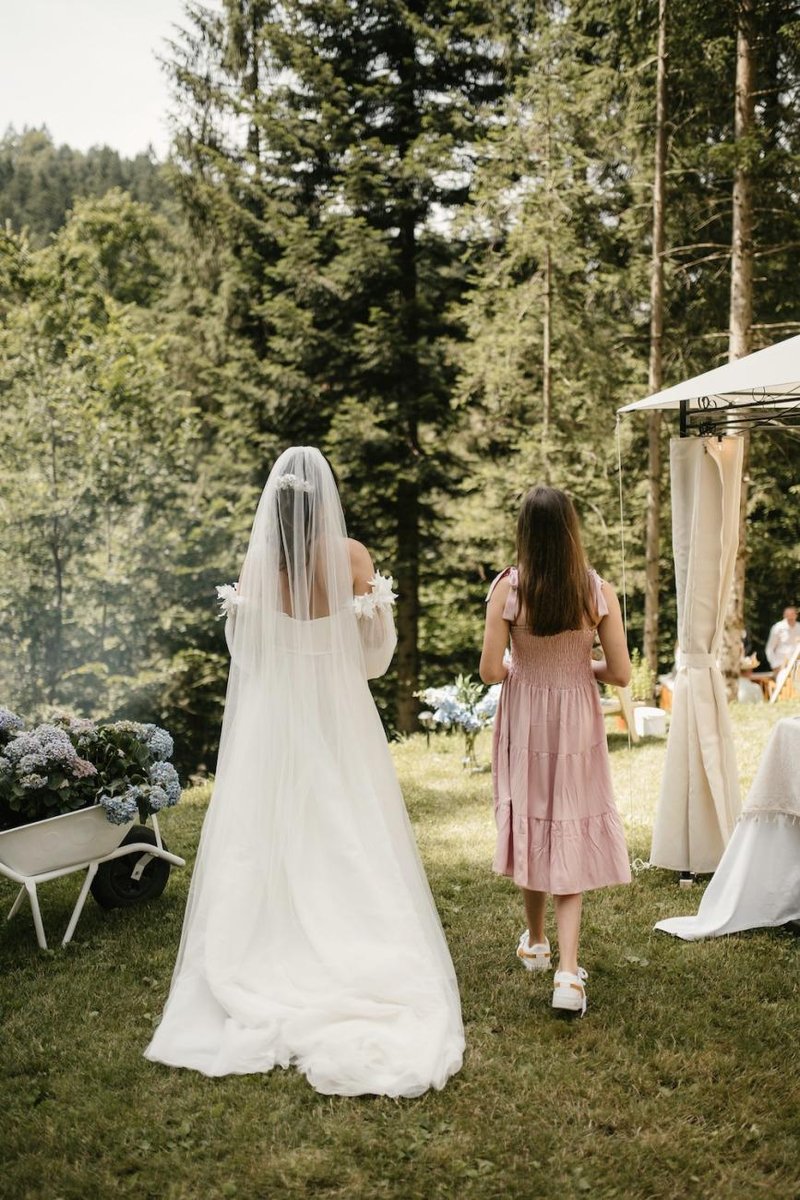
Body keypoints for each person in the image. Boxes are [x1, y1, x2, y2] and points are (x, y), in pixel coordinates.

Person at [145, 447, 464, 1096]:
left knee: (270, 829)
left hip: (275, 717)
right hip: (338, 714)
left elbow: (249, 656)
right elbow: (375, 660)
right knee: (348, 824)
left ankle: (266, 947)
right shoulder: (353, 559)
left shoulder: (259, 564)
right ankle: (354, 944)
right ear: (326, 500)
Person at [480, 485, 631, 1017]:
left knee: (534, 819)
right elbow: (620, 673)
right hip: (575, 722)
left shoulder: (508, 588)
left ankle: (538, 942)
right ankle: (566, 971)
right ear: (571, 530)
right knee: (566, 821)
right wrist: (577, 669)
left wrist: (531, 669)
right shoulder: (595, 590)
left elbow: (491, 671)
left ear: (524, 530)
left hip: (525, 720)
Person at [765, 606, 800, 671]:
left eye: (792, 615)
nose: (790, 617)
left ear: (796, 615)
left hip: (797, 666)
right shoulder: (778, 628)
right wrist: (775, 665)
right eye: (788, 615)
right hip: (781, 666)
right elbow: (769, 648)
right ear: (784, 616)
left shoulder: (799, 627)